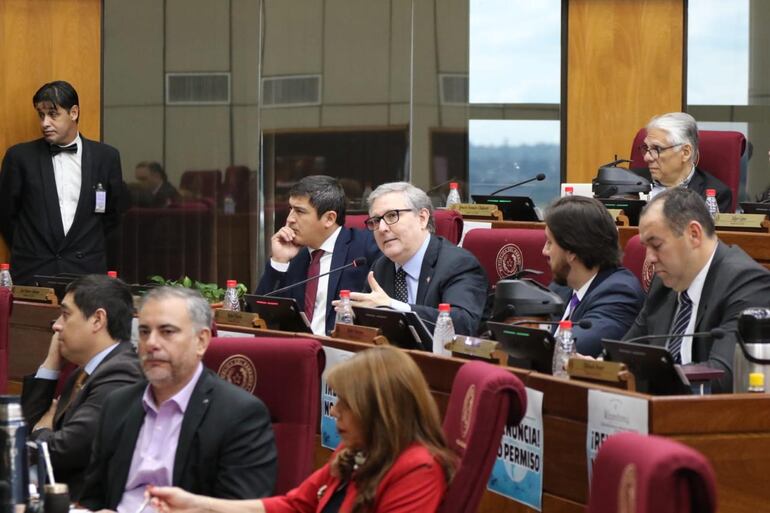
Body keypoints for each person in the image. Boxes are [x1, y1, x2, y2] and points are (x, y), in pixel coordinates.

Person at [149, 345, 455, 513]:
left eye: (345, 404)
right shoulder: (356, 451)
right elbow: (295, 505)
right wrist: (199, 505)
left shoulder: (418, 469)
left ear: (380, 412)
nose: (334, 411)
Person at [79, 286, 277, 512]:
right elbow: (92, 498)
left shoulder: (239, 414)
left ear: (201, 341)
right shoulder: (118, 404)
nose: (151, 343)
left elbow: (240, 508)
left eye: (167, 332)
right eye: (144, 332)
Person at [624, 187, 770, 393]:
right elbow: (625, 351)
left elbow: (722, 377)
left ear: (694, 234)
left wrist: (650, 378)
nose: (650, 258)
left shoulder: (747, 284)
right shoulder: (663, 283)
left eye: (656, 245)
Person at [21, 274, 143, 499]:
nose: (56, 326)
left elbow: (68, 449)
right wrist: (51, 364)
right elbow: (23, 431)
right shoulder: (84, 372)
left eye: (66, 315)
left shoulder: (122, 373)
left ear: (97, 320)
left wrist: (41, 431)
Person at [0, 81, 125, 285]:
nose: (44, 123)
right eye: (41, 115)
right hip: (33, 271)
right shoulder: (19, 157)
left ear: (73, 112)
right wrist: (32, 249)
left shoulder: (106, 157)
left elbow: (112, 216)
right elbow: (6, 215)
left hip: (86, 274)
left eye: (53, 114)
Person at [346, 182, 488, 336]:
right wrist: (353, 316)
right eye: (375, 221)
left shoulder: (458, 264)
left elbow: (462, 324)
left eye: (392, 216)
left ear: (422, 218)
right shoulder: (381, 267)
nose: (382, 228)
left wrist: (392, 306)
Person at [256, 175, 381, 336]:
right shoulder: (295, 256)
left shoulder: (365, 248)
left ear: (329, 218)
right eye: (290, 209)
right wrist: (279, 261)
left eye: (300, 211)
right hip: (299, 352)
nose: (289, 220)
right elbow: (261, 316)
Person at [543, 196, 645, 356]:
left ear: (571, 251)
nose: (545, 251)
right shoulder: (560, 287)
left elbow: (571, 351)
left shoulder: (620, 294)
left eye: (549, 243)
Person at [634, 112, 732, 212]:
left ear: (685, 153)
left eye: (657, 149)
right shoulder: (630, 183)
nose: (647, 157)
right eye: (646, 148)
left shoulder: (715, 195)